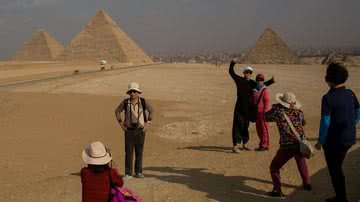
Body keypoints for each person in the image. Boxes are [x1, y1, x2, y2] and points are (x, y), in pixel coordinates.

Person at [315, 63, 360, 202]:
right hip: (349, 137)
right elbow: (358, 111)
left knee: (335, 170)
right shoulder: (350, 93)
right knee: (337, 167)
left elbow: (325, 122)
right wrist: (352, 123)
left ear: (330, 79)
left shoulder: (327, 98)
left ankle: (341, 198)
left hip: (334, 141)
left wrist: (320, 141)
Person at [265, 92, 311, 197]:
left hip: (287, 145)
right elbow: (303, 123)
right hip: (300, 143)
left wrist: (275, 107)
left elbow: (266, 117)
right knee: (301, 161)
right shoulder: (299, 112)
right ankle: (307, 183)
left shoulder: (278, 113)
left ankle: (277, 190)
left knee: (274, 167)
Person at [228, 60, 274, 153]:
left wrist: (271, 81)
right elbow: (231, 72)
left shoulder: (253, 83)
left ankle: (245, 144)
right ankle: (236, 146)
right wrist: (233, 63)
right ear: (244, 73)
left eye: (250, 72)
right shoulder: (239, 80)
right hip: (239, 108)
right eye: (246, 72)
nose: (248, 74)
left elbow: (261, 85)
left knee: (245, 126)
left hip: (248, 109)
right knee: (237, 125)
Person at [115, 82, 153, 180]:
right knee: (128, 152)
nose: (133, 93)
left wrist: (148, 123)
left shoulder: (143, 102)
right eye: (131, 91)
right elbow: (117, 111)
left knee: (139, 152)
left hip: (140, 131)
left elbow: (151, 110)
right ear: (128, 93)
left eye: (134, 91)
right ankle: (128, 173)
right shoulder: (125, 102)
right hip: (129, 131)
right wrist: (121, 123)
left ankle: (138, 172)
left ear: (138, 92)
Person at [251, 74, 271, 151]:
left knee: (264, 129)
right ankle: (261, 143)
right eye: (258, 80)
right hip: (257, 113)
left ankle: (265, 145)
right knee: (259, 129)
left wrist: (265, 113)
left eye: (261, 80)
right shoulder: (255, 90)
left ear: (263, 81)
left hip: (263, 114)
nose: (259, 82)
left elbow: (267, 102)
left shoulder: (265, 90)